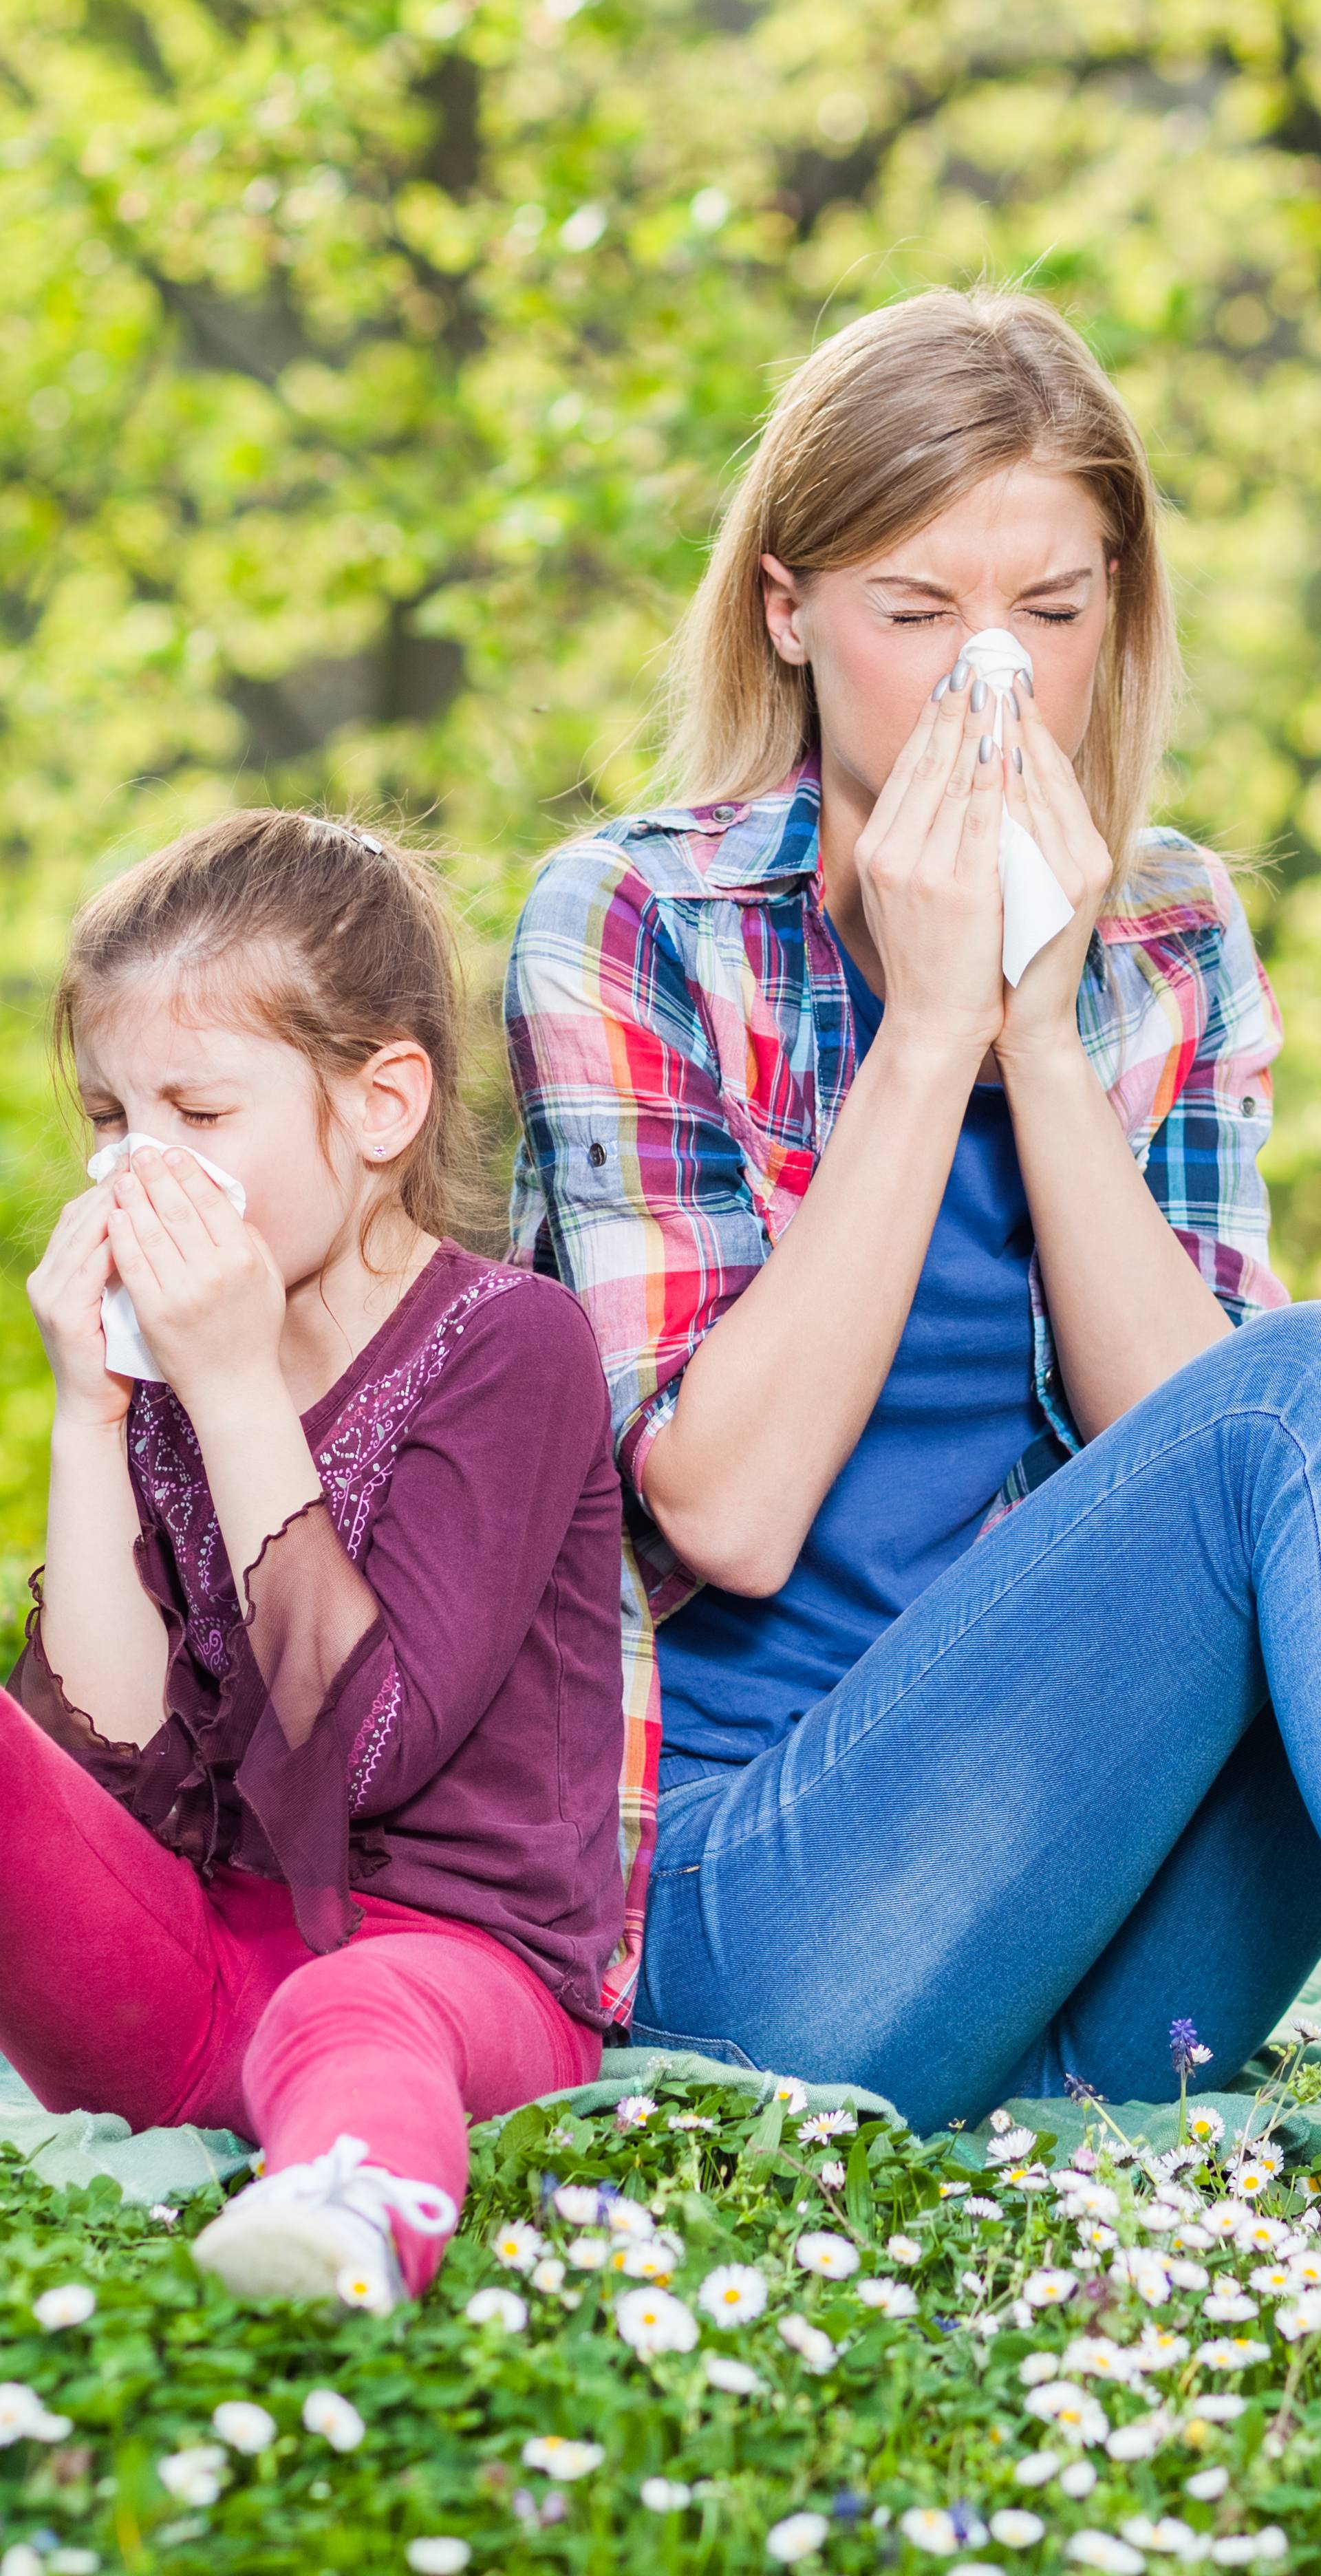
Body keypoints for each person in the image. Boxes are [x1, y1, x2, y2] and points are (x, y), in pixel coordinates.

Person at [506, 286, 1321, 2132]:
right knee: (1308, 1378)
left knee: (1290, 1409)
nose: (995, 683)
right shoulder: (639, 922)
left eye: (1054, 613)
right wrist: (933, 1017)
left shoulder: (1166, 929)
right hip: (762, 1930)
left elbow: (1204, 1467)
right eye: (918, 615)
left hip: (1092, 1946)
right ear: (789, 615)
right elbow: (727, 1507)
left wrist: (1039, 1034)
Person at [11, 809, 625, 2310]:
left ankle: (348, 2210)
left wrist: (227, 1385)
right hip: (190, 1978)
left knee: (358, 2007)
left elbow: (365, 1756)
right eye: (110, 1122)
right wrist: (93, 1420)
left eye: (198, 1116)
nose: (137, 1173)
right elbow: (112, 1786)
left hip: (454, 1978)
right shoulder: (164, 1380)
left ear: (381, 1106)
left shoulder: (511, 1346)